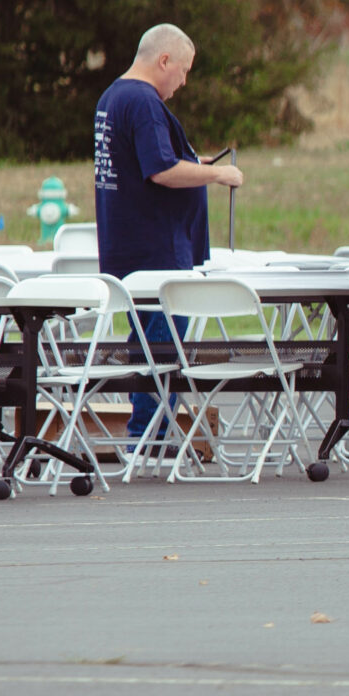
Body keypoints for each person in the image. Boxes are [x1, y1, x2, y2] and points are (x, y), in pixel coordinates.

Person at [92, 23, 243, 441]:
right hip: (155, 253)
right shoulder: (143, 101)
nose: (184, 80)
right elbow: (160, 169)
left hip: (130, 248)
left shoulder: (114, 96)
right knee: (161, 346)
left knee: (150, 341)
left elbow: (146, 161)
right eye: (183, 69)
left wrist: (198, 164)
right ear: (164, 60)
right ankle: (149, 434)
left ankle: (149, 431)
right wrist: (215, 173)